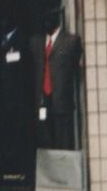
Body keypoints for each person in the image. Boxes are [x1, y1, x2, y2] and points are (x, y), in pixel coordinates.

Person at [29, 10, 82, 150]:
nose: (46, 22)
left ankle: (63, 172)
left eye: (49, 18)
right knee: (45, 142)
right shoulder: (36, 42)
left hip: (62, 102)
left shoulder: (71, 41)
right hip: (42, 102)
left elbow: (74, 67)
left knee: (63, 143)